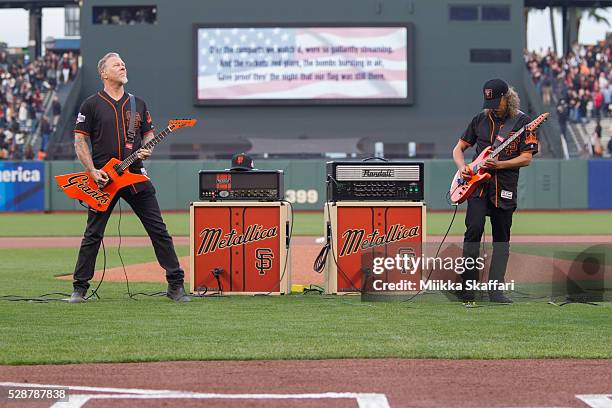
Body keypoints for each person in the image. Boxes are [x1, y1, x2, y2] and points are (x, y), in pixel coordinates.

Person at [69, 52, 190, 303]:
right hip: (104, 178)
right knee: (93, 234)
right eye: (116, 64)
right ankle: (79, 288)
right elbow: (80, 140)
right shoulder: (90, 104)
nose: (123, 65)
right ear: (104, 73)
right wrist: (93, 171)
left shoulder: (138, 104)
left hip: (134, 174)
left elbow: (148, 135)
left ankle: (176, 284)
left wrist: (148, 148)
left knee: (158, 229)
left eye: (123, 63)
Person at [452, 79, 539, 303]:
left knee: (501, 239)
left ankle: (496, 290)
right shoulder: (480, 119)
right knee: (473, 230)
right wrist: (463, 168)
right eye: (488, 101)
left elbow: (526, 158)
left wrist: (499, 165)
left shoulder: (523, 122)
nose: (491, 105)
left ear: (506, 97)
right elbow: (459, 148)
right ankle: (467, 287)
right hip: (477, 186)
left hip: (504, 187)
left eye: (495, 101)